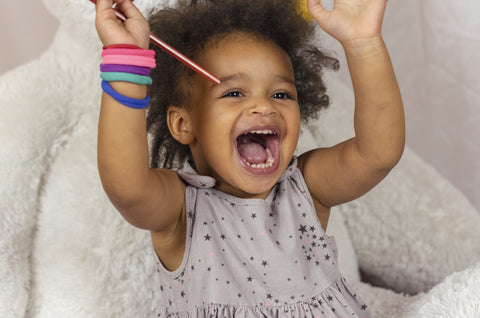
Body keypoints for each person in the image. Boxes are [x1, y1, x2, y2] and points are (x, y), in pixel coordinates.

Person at [95, 0, 404, 316]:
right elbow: (127, 188)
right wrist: (126, 64)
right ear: (183, 124)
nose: (265, 106)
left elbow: (377, 153)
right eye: (234, 93)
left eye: (281, 94)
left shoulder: (307, 188)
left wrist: (364, 44)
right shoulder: (180, 209)